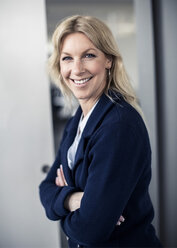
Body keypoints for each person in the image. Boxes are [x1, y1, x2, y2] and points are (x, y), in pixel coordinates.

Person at [39, 15, 162, 247]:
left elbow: (90, 230)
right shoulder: (79, 119)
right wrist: (73, 200)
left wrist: (61, 208)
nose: (76, 69)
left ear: (108, 60)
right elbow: (45, 187)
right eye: (67, 58)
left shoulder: (118, 126)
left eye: (89, 55)